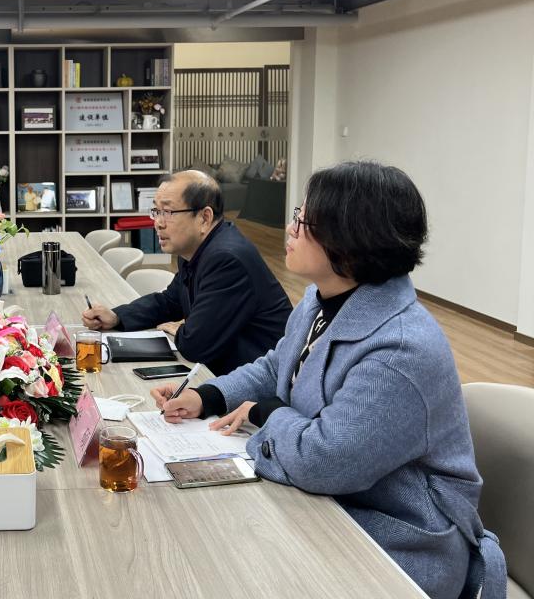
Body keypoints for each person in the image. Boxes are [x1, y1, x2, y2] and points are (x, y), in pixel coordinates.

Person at [153, 161, 506, 599]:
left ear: (351, 238)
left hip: (399, 542)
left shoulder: (401, 348)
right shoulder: (319, 301)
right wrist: (209, 395)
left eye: (304, 220)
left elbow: (325, 461)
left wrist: (268, 412)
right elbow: (277, 365)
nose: (290, 228)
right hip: (329, 505)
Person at [83, 170, 292, 375]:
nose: (158, 223)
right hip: (224, 371)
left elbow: (196, 345)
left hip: (262, 382)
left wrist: (182, 331)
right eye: (156, 211)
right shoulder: (196, 249)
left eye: (168, 212)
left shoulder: (227, 259)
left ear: (204, 218)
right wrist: (117, 317)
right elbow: (170, 301)